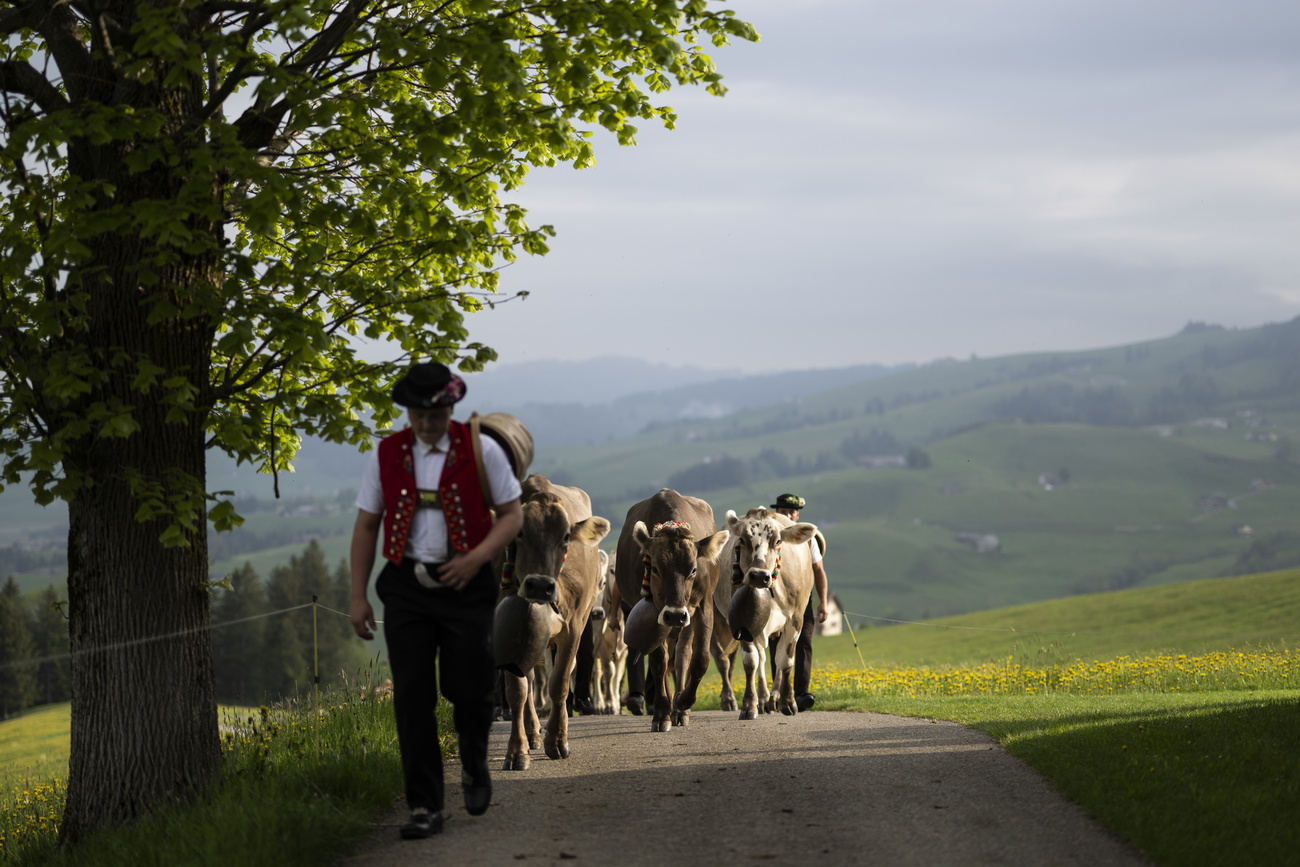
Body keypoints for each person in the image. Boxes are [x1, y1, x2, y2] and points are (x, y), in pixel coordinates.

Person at [350, 362, 523, 840]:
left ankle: (473, 763)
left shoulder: (481, 448)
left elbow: (511, 515)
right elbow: (367, 525)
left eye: (435, 414)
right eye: (418, 414)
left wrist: (478, 558)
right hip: (405, 586)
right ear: (408, 411)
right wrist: (357, 596)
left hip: (467, 586)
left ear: (451, 407)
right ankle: (424, 804)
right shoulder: (386, 453)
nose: (426, 423)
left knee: (469, 688)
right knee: (411, 696)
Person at [769, 493, 828, 712]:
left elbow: (818, 570)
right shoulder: (770, 536)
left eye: (789, 513)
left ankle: (801, 693)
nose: (784, 516)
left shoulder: (807, 539)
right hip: (776, 597)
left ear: (797, 515)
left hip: (803, 598)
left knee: (803, 641)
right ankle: (778, 691)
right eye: (781, 512)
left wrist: (823, 601)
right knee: (775, 642)